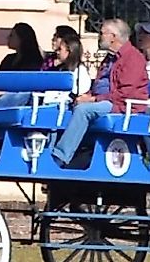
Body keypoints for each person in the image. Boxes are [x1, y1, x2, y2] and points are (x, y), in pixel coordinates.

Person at [53, 18, 145, 167]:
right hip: (104, 100)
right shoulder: (110, 58)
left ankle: (60, 157)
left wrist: (94, 99)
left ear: (113, 36)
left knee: (83, 110)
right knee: (64, 106)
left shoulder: (133, 58)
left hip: (121, 105)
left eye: (102, 33)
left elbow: (125, 93)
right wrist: (87, 95)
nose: (99, 36)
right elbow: (99, 84)